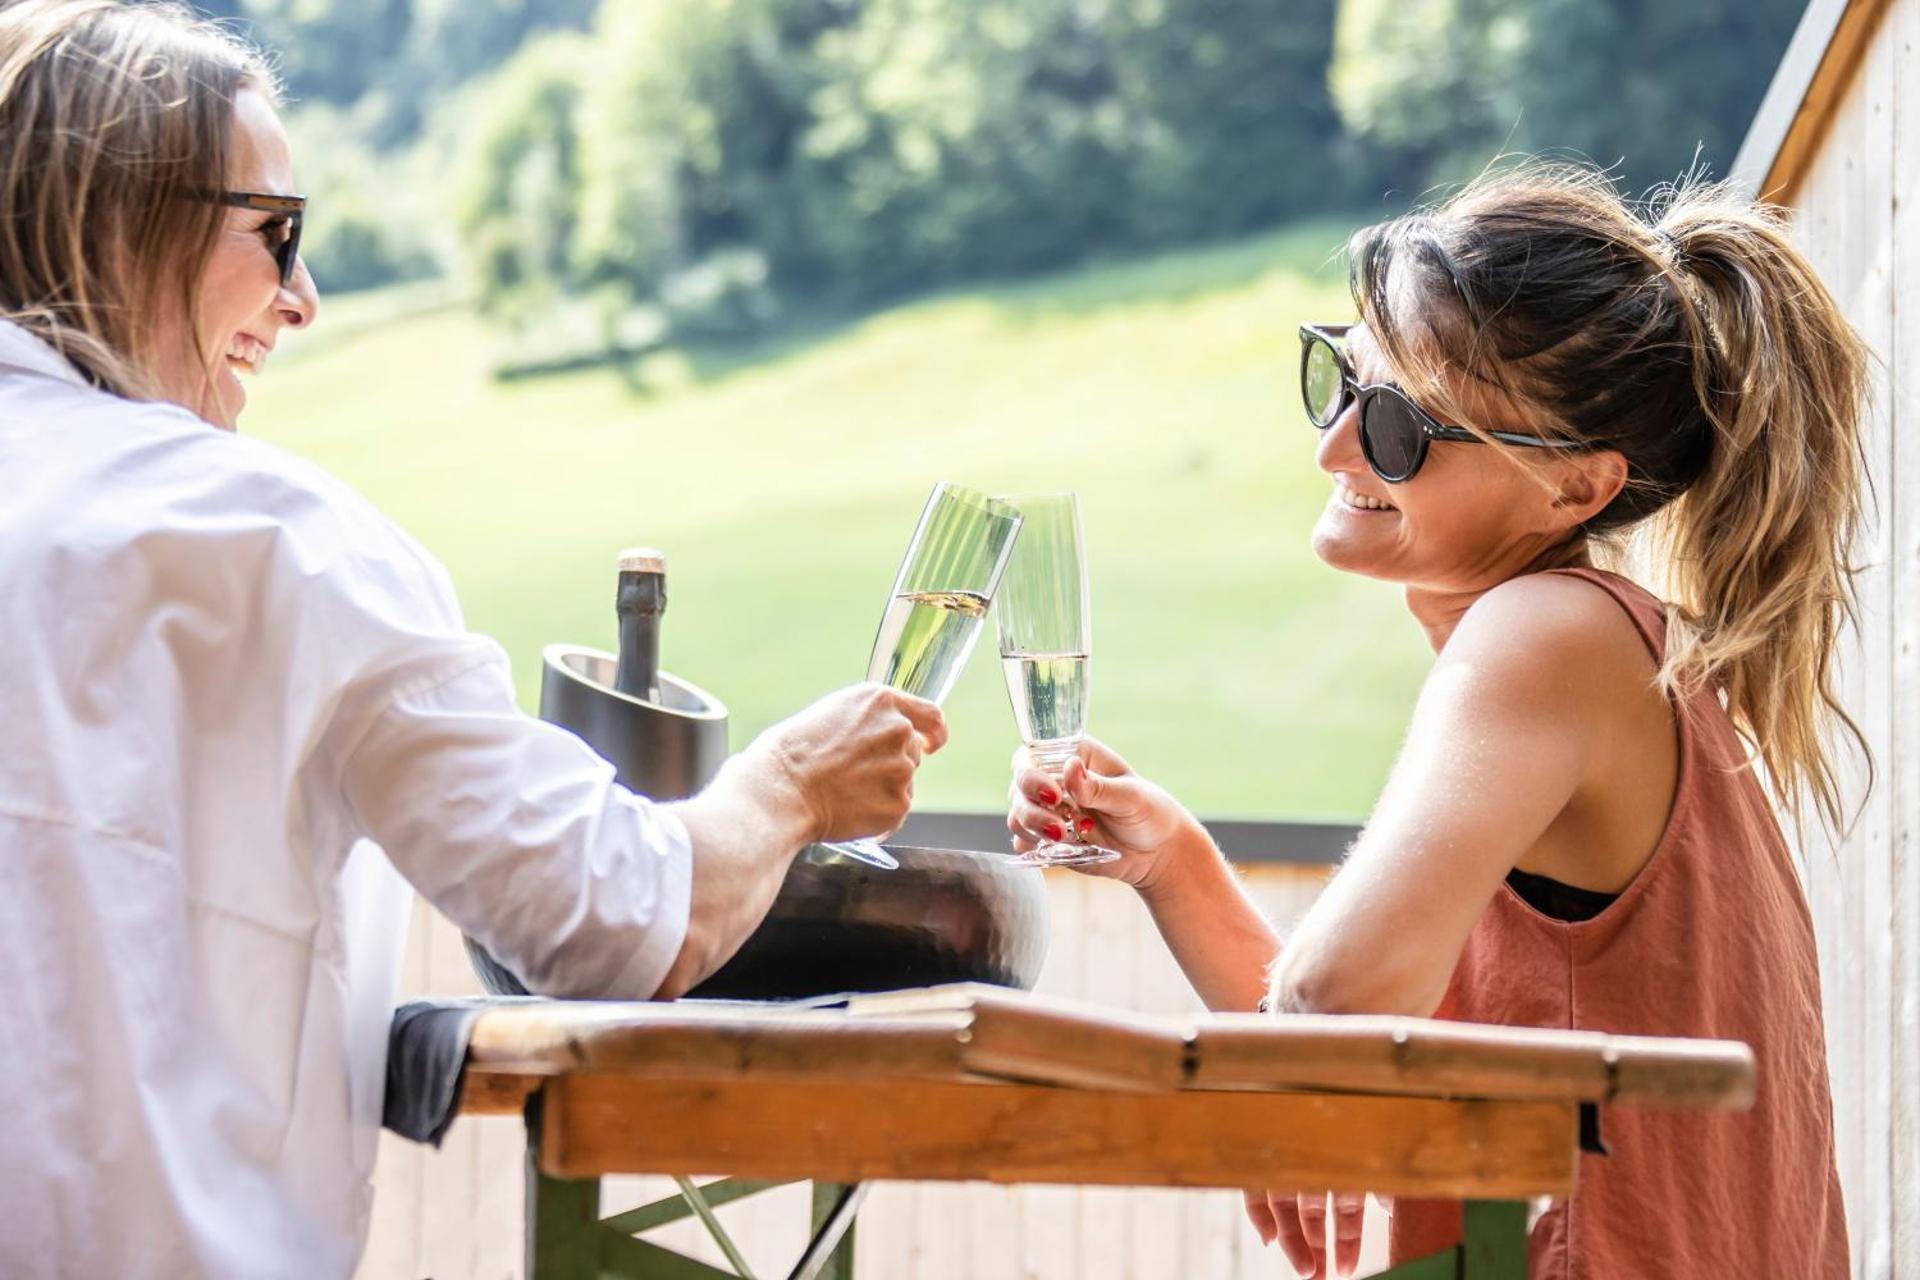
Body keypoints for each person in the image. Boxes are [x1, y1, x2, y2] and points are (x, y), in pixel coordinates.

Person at [0, 3, 942, 1276]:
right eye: (278, 234)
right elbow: (611, 920)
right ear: (127, 215)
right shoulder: (281, 538)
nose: (305, 299)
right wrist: (788, 786)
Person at [1011, 165, 1857, 1278]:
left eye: (1402, 430)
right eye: (1341, 381)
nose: (1335, 449)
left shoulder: (1546, 633)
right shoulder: (1621, 651)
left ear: (1576, 489)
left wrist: (1289, 1091)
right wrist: (1178, 864)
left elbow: (1334, 997)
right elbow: (1353, 1007)